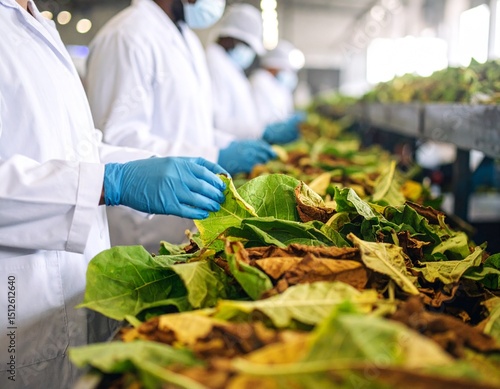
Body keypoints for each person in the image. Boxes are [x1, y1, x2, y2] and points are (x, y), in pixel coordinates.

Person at [0, 1, 228, 388]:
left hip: (68, 291)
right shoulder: (125, 33)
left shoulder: (34, 23)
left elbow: (79, 149)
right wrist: (110, 182)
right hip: (15, 300)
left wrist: (159, 165)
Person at [85, 0, 276, 252]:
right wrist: (214, 155)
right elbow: (116, 139)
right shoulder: (125, 36)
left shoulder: (188, 40)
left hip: (184, 224)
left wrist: (225, 146)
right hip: (140, 229)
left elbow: (193, 124)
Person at [206, 3, 304, 146]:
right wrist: (262, 131)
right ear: (232, 38)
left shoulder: (229, 67)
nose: (249, 53)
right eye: (247, 46)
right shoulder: (214, 64)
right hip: (228, 148)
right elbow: (217, 121)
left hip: (241, 143)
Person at [250, 40, 302, 125]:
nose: (289, 74)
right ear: (274, 65)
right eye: (286, 69)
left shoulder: (278, 85)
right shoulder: (260, 81)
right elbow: (262, 116)